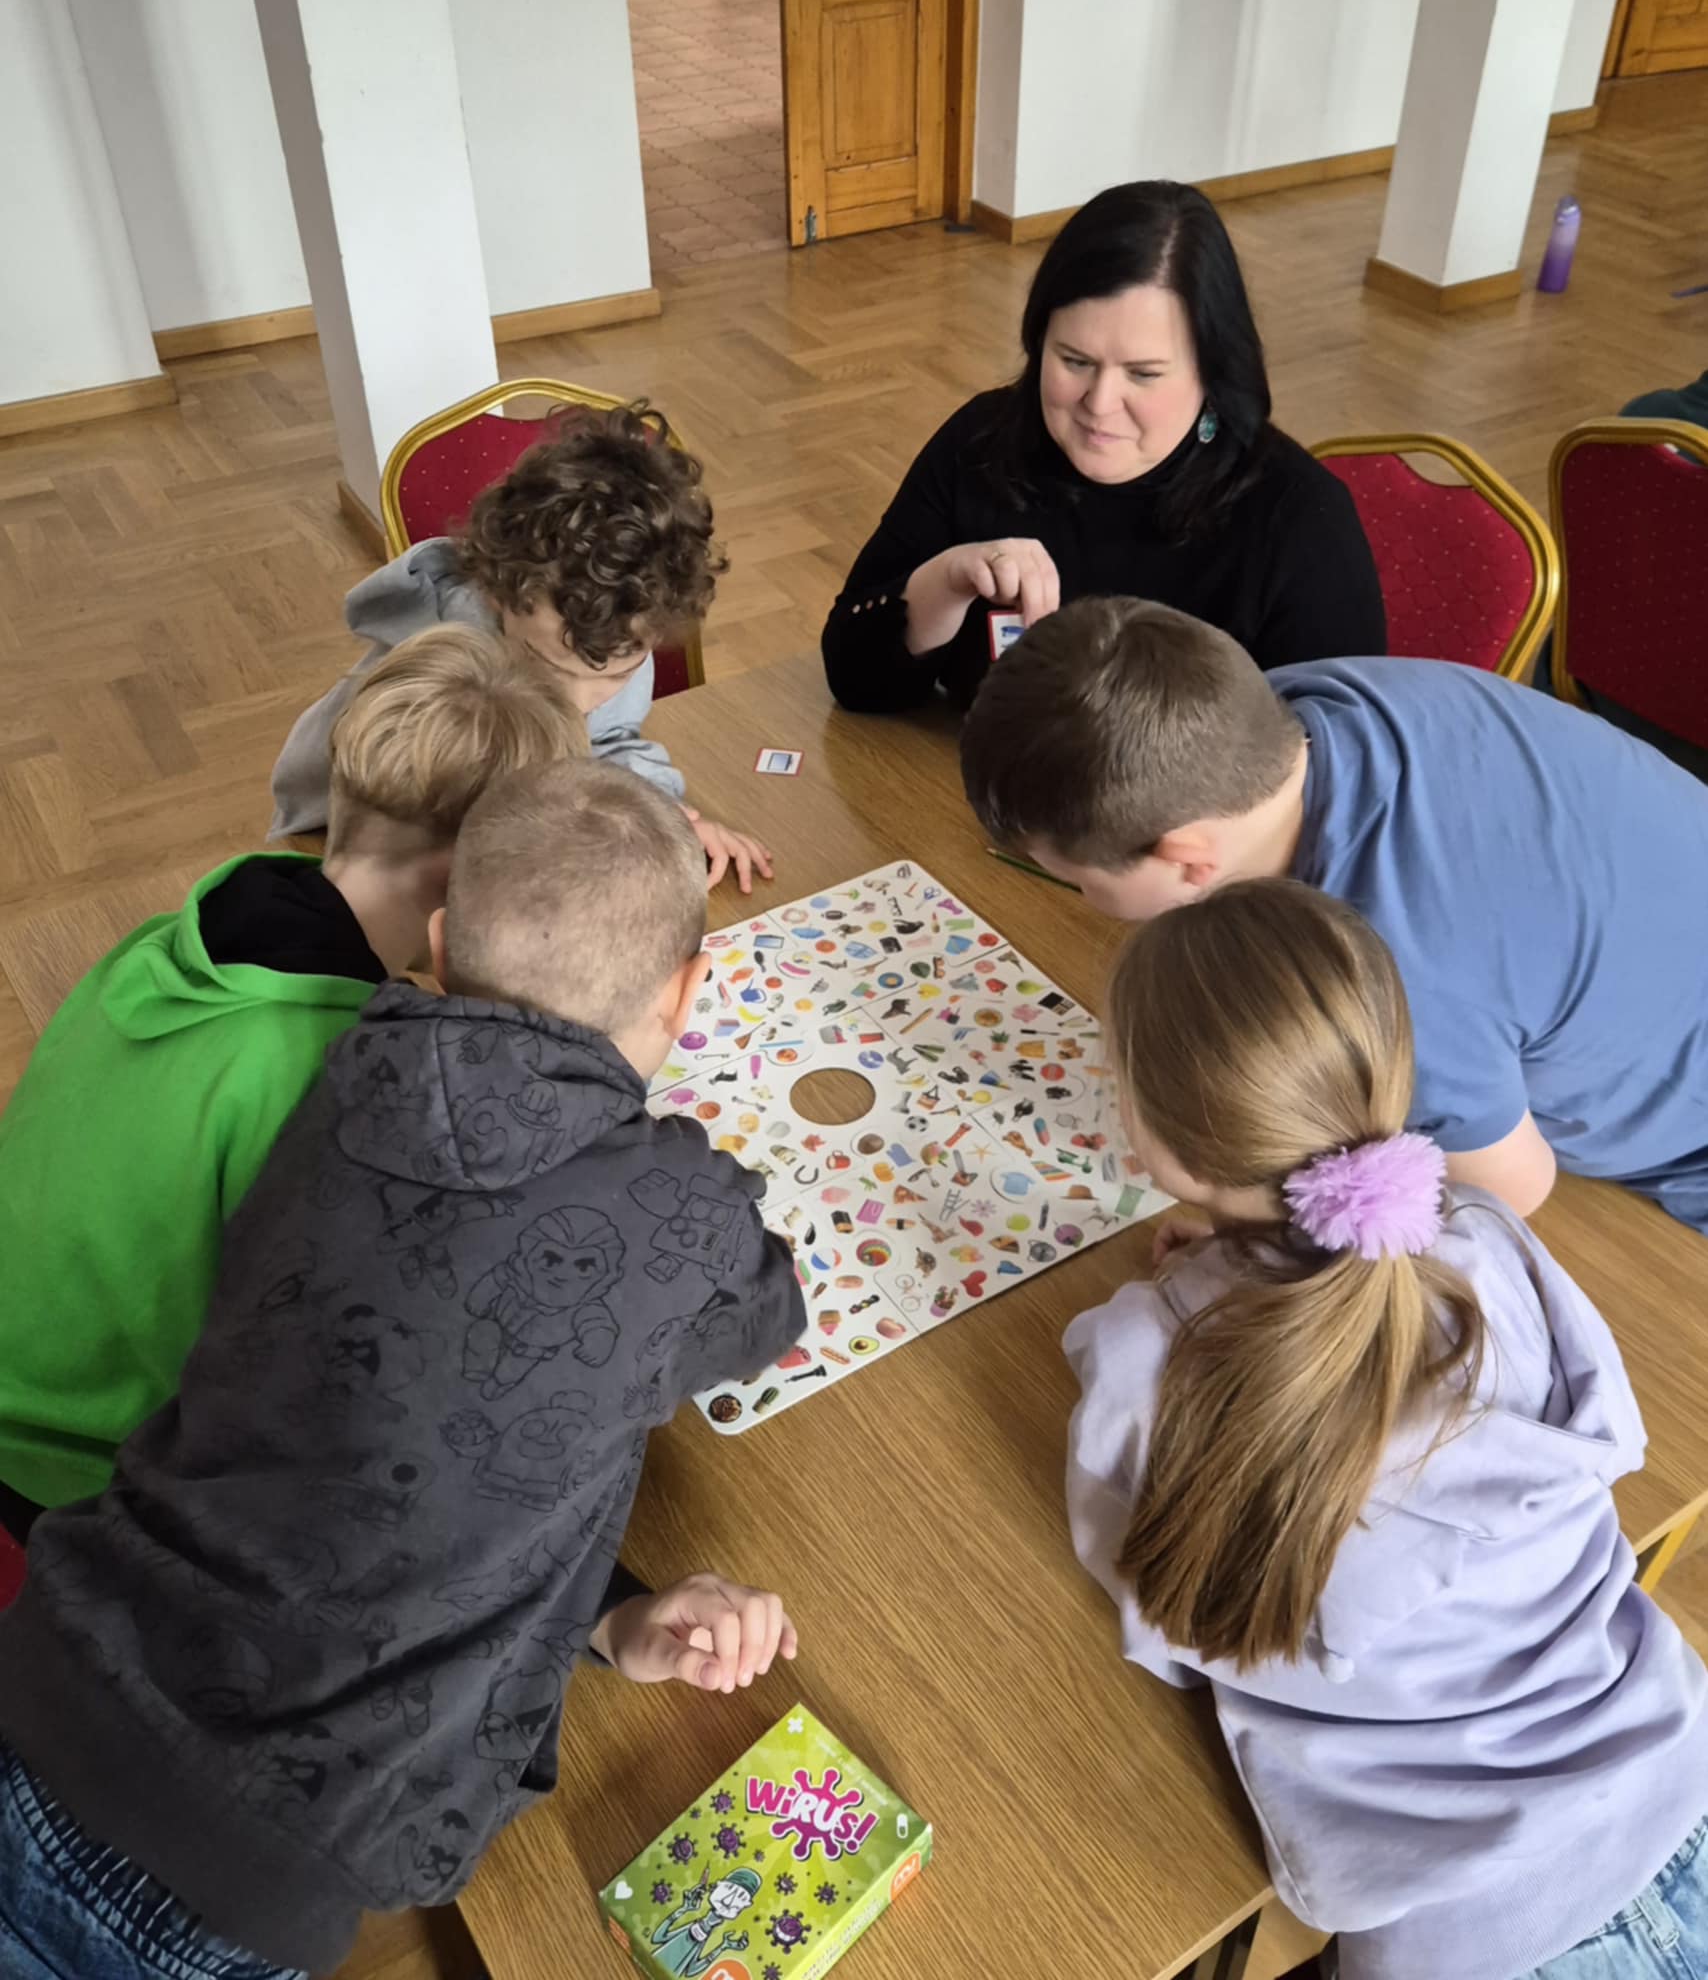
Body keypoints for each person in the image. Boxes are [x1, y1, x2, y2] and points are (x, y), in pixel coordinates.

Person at [0, 757, 807, 1979]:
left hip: (52, 1670)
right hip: (236, 1875)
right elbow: (767, 1300)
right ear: (688, 994)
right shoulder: (677, 1213)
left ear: (435, 944)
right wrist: (661, 1155)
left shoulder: (338, 1070)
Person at [1066, 879, 1708, 1980]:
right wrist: (1223, 1276)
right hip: (1679, 1782)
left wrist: (1184, 1302)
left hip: (1473, 1936)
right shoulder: (1485, 1237)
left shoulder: (1140, 1362)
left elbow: (1167, 1632)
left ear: (1166, 1146)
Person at [0, 628, 589, 1541]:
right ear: (462, 880)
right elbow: (379, 1361)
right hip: (87, 1482)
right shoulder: (341, 1084)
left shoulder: (178, 936)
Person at [959, 596, 1708, 1233]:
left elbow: (1507, 1191)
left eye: (1075, 882)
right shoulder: (1283, 712)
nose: (1080, 902)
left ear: (1187, 859)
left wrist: (1262, 1230)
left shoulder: (1389, 972)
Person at [821, 180, 1384, 717]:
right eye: (1075, 361)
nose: (1100, 402)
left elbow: (1344, 754)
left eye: (1143, 374)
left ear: (1212, 371)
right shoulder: (983, 441)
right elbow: (853, 678)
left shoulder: (1299, 519)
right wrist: (945, 583)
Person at [270, 399, 772, 893]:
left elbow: (608, 743)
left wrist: (659, 814)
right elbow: (388, 805)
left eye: (619, 675)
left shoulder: (615, 627)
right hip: (359, 844)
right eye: (547, 665)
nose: (577, 705)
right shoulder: (439, 666)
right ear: (496, 588)